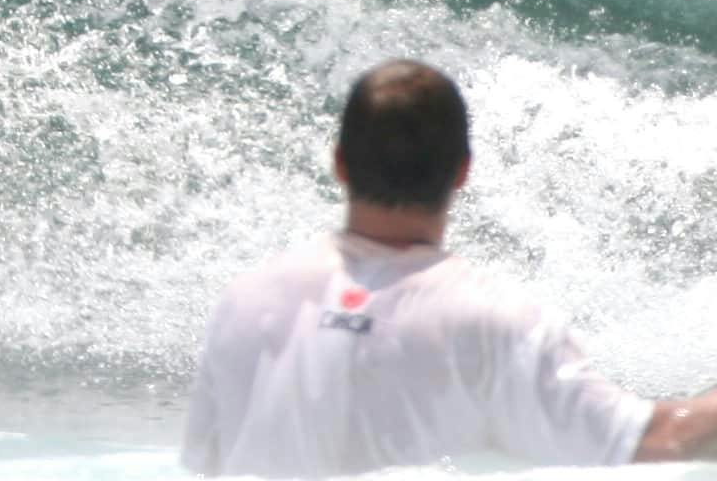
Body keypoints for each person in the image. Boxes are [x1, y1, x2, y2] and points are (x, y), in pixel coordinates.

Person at [184, 60, 717, 474]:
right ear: (463, 171)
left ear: (339, 161)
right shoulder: (492, 321)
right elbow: (657, 442)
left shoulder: (246, 299)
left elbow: (205, 467)